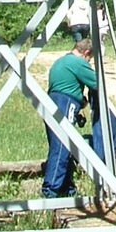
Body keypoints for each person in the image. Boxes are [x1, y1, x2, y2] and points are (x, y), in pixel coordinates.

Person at [42, 39, 97, 198]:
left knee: (58, 144)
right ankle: (50, 191)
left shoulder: (60, 62)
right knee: (62, 147)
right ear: (86, 53)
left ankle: (67, 188)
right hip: (65, 102)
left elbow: (65, 85)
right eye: (90, 58)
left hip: (52, 101)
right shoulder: (78, 63)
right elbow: (97, 83)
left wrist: (81, 102)